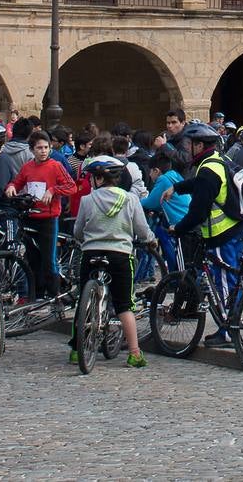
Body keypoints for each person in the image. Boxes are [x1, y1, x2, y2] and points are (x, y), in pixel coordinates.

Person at [163, 122, 243, 347]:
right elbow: (201, 185)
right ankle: (233, 322)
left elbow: (198, 211)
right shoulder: (216, 160)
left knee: (224, 284)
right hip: (236, 226)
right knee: (231, 280)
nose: (186, 148)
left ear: (199, 145)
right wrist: (178, 188)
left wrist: (178, 228)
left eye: (189, 144)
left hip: (222, 233)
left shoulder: (208, 169)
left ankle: (229, 332)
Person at [69, 155, 157, 368]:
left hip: (91, 254)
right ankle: (135, 353)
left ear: (98, 179)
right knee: (125, 304)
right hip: (120, 255)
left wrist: (84, 239)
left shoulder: (87, 200)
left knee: (84, 300)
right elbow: (142, 229)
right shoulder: (130, 199)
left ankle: (75, 349)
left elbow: (78, 230)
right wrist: (151, 241)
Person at [5, 131, 78, 299]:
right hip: (31, 217)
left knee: (49, 259)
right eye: (39, 148)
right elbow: (17, 182)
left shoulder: (55, 166)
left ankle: (54, 295)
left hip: (48, 218)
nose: (43, 151)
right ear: (32, 150)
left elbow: (71, 186)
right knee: (33, 259)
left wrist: (53, 190)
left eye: (46, 147)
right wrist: (11, 187)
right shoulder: (28, 167)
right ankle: (36, 294)